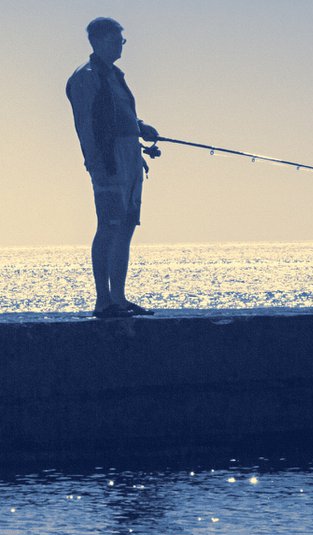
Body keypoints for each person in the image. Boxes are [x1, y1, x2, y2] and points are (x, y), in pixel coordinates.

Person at [67, 17, 158, 318]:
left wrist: (139, 126)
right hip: (108, 163)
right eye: (117, 39)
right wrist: (97, 165)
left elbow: (116, 115)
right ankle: (103, 300)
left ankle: (118, 298)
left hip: (130, 161)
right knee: (109, 226)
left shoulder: (115, 75)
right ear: (98, 40)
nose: (121, 44)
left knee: (127, 226)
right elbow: (86, 126)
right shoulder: (85, 77)